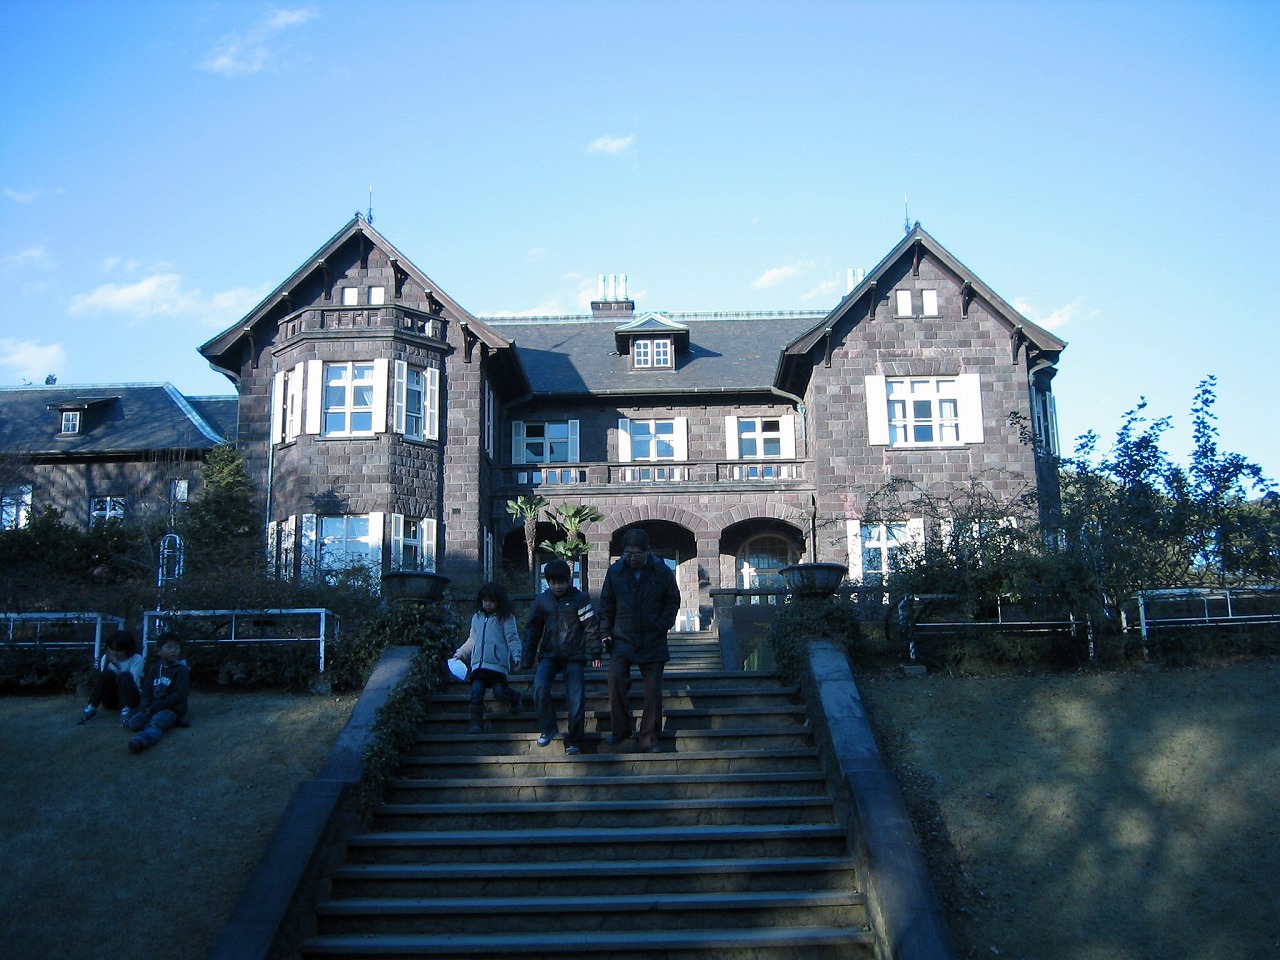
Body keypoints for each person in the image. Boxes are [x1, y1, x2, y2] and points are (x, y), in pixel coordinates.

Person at [599, 528, 680, 752]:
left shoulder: (662, 571)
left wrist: (662, 624)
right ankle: (620, 730)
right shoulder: (615, 572)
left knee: (653, 690)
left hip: (653, 638)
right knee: (615, 680)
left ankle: (649, 738)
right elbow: (606, 604)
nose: (632, 558)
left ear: (647, 551)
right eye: (627, 553)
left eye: (636, 553)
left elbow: (673, 600)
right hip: (622, 637)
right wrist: (605, 632)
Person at [525, 558, 602, 755]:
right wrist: (527, 658)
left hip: (574, 655)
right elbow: (533, 630)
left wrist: (596, 651)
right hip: (549, 655)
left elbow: (591, 627)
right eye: (552, 582)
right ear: (548, 582)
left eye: (560, 582)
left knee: (576, 698)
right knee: (540, 687)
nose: (557, 586)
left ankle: (575, 740)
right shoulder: (542, 601)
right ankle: (548, 728)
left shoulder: (579, 599)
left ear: (569, 580)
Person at [453, 581, 523, 734]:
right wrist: (460, 653)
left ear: (499, 601)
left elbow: (512, 639)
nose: (488, 604)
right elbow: (472, 640)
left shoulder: (506, 618)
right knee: (476, 693)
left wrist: (516, 655)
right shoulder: (477, 618)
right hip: (479, 666)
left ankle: (514, 697)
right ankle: (475, 723)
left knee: (499, 692)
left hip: (497, 666)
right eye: (485, 600)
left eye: (492, 601)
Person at [126, 632, 190, 754]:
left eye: (177, 647)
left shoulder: (181, 670)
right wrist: (145, 706)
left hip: (171, 709)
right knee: (134, 723)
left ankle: (140, 740)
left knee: (156, 723)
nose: (173, 651)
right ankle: (172, 721)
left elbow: (179, 694)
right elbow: (147, 690)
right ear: (159, 651)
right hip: (153, 707)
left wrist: (155, 708)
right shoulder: (155, 669)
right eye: (169, 647)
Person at [78, 630, 144, 726]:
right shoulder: (106, 658)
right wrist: (108, 665)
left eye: (119, 650)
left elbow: (131, 682)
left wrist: (118, 666)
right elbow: (103, 682)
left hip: (130, 698)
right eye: (112, 649)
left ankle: (125, 711)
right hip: (112, 699)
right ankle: (91, 708)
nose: (115, 653)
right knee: (107, 673)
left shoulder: (136, 659)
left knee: (125, 675)